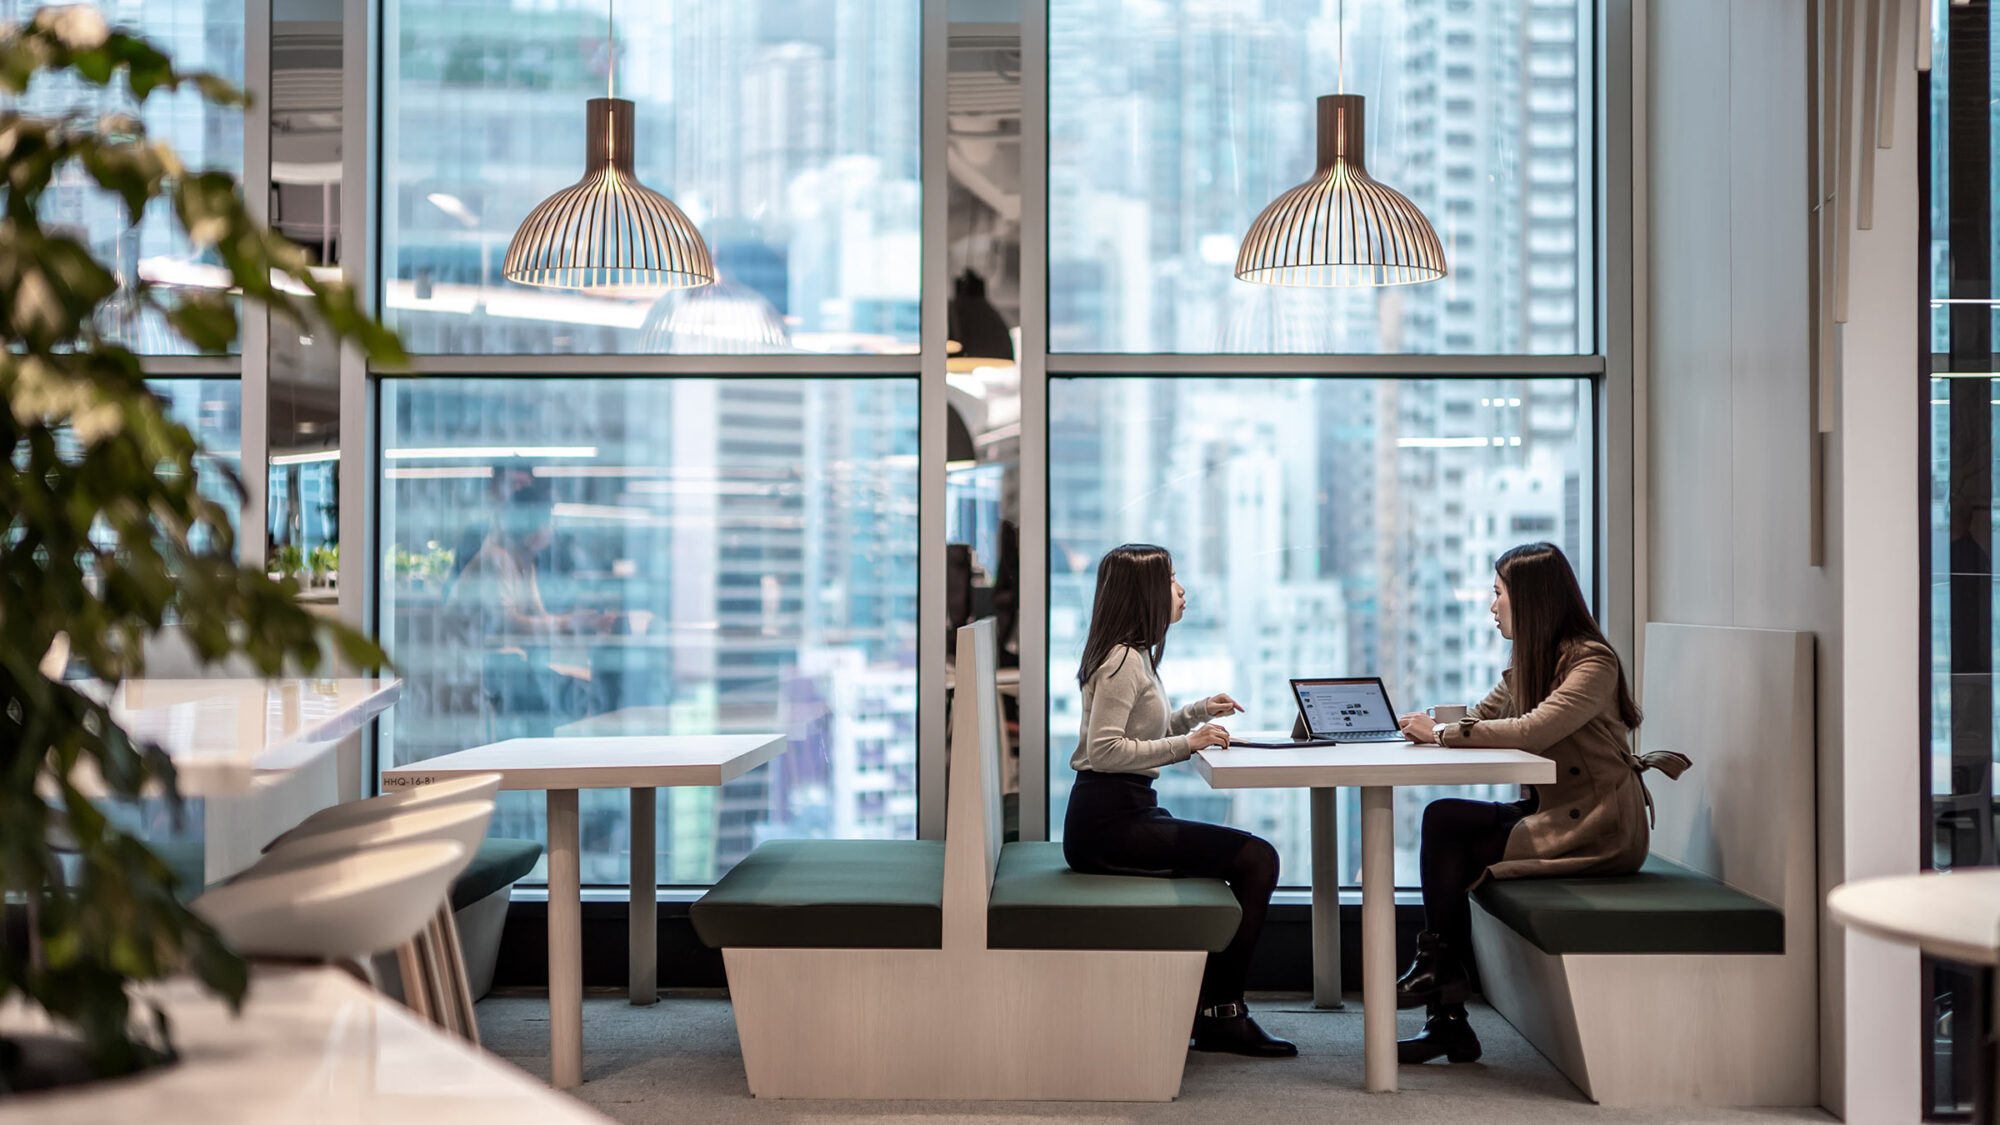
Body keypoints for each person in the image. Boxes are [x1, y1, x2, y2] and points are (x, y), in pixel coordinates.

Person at [1390, 541, 1690, 1065]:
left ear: (1531, 599)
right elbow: (1486, 714)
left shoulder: (1591, 661)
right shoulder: (1530, 658)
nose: (1491, 605)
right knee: (1443, 819)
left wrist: (1441, 733)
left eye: (1498, 593)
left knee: (1449, 833)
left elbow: (1533, 729)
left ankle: (1443, 993)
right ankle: (1445, 999)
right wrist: (1432, 727)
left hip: (1600, 828)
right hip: (1554, 813)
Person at [1063, 544, 1296, 1058]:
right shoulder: (1124, 660)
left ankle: (1211, 1006)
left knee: (1245, 858)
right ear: (1145, 592)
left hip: (1118, 812)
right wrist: (1189, 744)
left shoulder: (1132, 654)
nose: (1182, 588)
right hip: (1109, 822)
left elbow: (1139, 734)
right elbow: (1105, 751)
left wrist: (1194, 714)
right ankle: (1221, 1012)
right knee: (1259, 859)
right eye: (1172, 579)